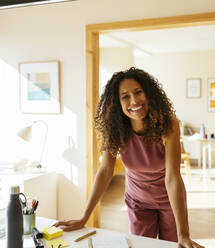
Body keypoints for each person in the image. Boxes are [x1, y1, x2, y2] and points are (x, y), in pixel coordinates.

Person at [54, 68, 204, 248]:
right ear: (117, 102)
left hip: (169, 201)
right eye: (125, 96)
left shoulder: (168, 124)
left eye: (138, 92)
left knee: (172, 246)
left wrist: (184, 235)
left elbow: (173, 177)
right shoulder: (114, 128)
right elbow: (105, 171)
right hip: (138, 202)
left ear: (149, 94)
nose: (134, 101)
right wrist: (84, 216)